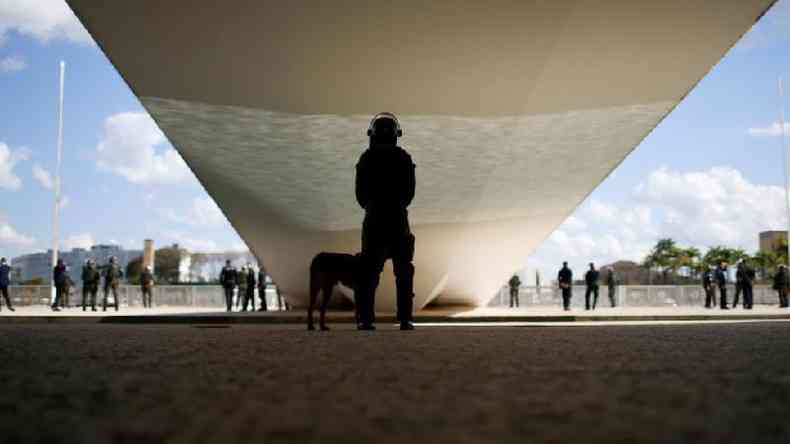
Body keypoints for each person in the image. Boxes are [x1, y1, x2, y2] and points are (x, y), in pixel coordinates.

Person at [354, 112, 416, 331]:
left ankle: (366, 319)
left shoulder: (366, 158)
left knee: (369, 273)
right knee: (404, 272)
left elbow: (360, 196)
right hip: (398, 219)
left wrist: (373, 205)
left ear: (373, 133)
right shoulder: (404, 157)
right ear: (396, 134)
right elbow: (410, 193)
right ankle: (405, 319)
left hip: (374, 220)